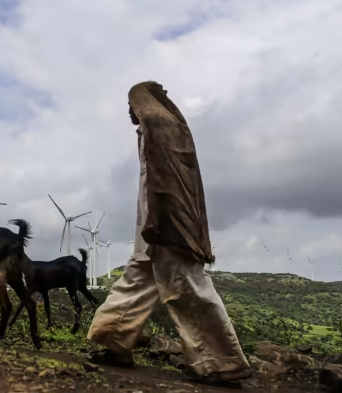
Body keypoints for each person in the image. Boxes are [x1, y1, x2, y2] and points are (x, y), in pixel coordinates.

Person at [86, 81, 253, 385]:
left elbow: (165, 183)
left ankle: (220, 364)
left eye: (131, 106)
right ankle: (115, 344)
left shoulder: (160, 130)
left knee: (187, 286)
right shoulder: (156, 131)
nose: (129, 113)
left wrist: (161, 223)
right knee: (138, 278)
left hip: (168, 223)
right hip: (152, 223)